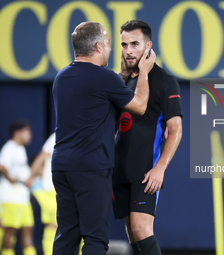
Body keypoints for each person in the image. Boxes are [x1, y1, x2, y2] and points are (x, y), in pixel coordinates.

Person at [51, 21, 155, 255]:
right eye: (109, 44)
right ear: (98, 47)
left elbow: (98, 96)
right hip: (91, 168)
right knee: (95, 239)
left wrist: (120, 76)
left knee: (67, 236)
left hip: (62, 167)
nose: (112, 49)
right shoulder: (103, 78)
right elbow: (139, 105)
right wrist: (145, 72)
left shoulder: (62, 76)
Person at [112, 20, 183, 255]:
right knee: (132, 234)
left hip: (146, 171)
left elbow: (176, 129)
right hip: (119, 169)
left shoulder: (164, 80)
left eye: (135, 43)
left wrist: (160, 168)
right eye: (124, 45)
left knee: (141, 228)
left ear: (148, 45)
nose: (129, 50)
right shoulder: (121, 80)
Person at [0, 120, 36, 255]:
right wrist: (10, 179)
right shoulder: (10, 147)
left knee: (28, 229)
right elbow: (1, 165)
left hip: (23, 198)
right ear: (17, 133)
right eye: (27, 131)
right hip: (10, 198)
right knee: (10, 231)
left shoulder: (20, 149)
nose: (30, 135)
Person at [25, 133, 57, 255]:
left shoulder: (58, 133)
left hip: (57, 188)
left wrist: (30, 178)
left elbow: (42, 156)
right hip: (59, 188)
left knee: (53, 226)